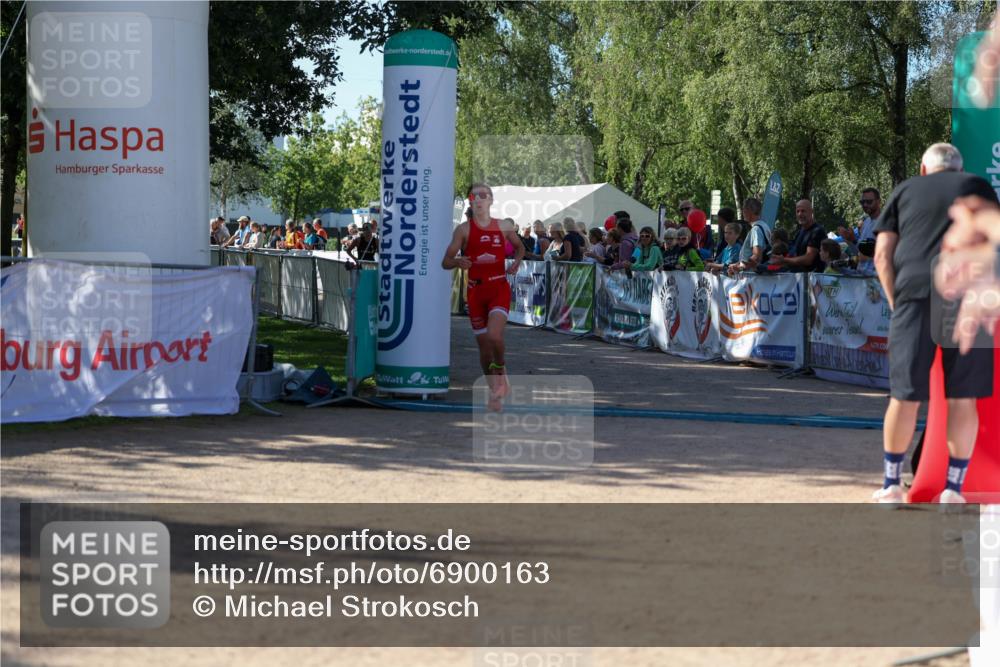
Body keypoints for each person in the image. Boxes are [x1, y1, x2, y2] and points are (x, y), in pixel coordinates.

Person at [872, 142, 999, 504]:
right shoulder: (979, 187)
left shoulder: (905, 190)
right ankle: (953, 490)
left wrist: (898, 302)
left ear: (924, 169)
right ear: (959, 171)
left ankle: (892, 484)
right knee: (964, 399)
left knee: (904, 396)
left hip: (916, 292)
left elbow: (882, 256)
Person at [441, 183, 525, 411]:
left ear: (491, 200)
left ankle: (501, 370)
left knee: (494, 336)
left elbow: (520, 247)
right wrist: (458, 262)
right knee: (484, 348)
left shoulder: (503, 226)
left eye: (484, 195)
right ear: (470, 201)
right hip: (476, 292)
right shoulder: (463, 230)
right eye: (474, 196)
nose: (479, 199)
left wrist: (516, 262)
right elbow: (445, 262)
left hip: (498, 287)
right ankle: (495, 391)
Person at [769, 200, 825, 272]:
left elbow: (808, 259)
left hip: (811, 280)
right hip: (797, 278)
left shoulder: (817, 231)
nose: (800, 214)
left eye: (803, 211)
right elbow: (794, 254)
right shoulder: (800, 231)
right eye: (797, 211)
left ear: (811, 212)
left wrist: (784, 260)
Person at [734, 197, 771, 273]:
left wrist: (739, 267)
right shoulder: (765, 226)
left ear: (750, 211)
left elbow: (757, 256)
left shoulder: (756, 229)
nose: (742, 211)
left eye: (744, 209)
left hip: (752, 277)